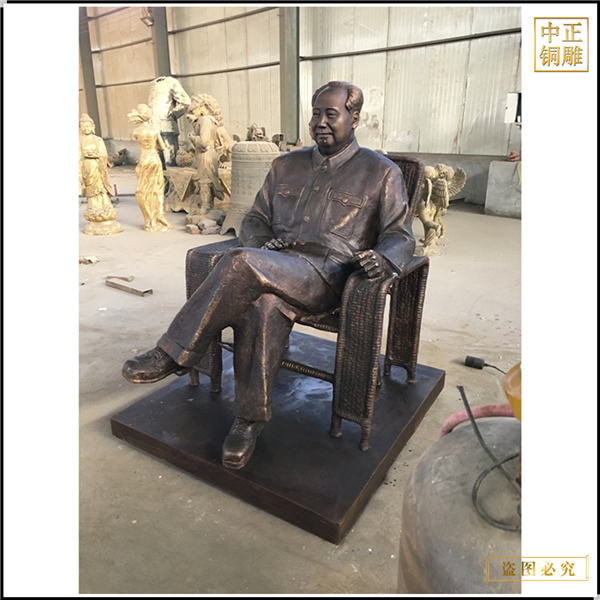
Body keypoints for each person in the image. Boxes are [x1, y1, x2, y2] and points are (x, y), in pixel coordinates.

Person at [123, 81, 415, 469]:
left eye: (331, 114)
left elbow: (400, 235)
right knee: (264, 304)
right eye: (316, 114)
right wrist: (263, 244)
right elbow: (255, 219)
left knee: (240, 262)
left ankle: (174, 353)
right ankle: (249, 421)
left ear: (355, 118)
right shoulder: (285, 165)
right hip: (274, 267)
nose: (321, 122)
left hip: (327, 277)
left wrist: (384, 258)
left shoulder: (381, 173)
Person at [128, 104, 173, 232]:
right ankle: (159, 216)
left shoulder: (136, 131)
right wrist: (154, 146)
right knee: (158, 188)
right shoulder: (154, 131)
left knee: (144, 189)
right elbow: (162, 147)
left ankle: (149, 219)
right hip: (154, 158)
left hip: (144, 158)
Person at [79, 114, 113, 213]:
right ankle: (93, 206)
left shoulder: (98, 140)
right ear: (80, 128)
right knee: (90, 186)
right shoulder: (79, 141)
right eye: (83, 126)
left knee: (101, 186)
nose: (86, 128)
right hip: (87, 167)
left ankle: (105, 204)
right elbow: (78, 156)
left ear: (93, 127)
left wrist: (96, 155)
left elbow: (104, 154)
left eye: (88, 126)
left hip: (98, 166)